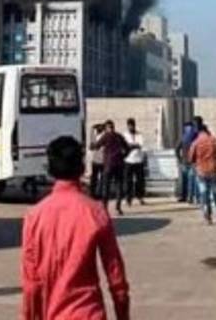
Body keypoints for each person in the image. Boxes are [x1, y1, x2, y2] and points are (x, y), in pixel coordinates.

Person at [20, 135, 131, 320]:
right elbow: (115, 275)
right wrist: (123, 314)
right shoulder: (96, 212)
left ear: (50, 169)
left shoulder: (34, 216)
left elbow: (31, 283)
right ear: (81, 168)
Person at [188, 124, 216, 224]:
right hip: (214, 171)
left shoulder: (196, 142)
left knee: (204, 194)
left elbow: (191, 158)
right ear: (207, 130)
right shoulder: (215, 140)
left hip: (201, 172)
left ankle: (207, 217)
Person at [94, 120, 130, 216]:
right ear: (113, 127)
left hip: (108, 165)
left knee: (106, 187)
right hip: (119, 164)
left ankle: (105, 208)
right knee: (119, 186)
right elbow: (128, 148)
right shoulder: (119, 136)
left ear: (106, 128)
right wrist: (123, 156)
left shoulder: (105, 136)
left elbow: (96, 146)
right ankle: (118, 208)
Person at [123, 118, 147, 207]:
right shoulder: (125, 135)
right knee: (128, 181)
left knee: (140, 181)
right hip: (128, 160)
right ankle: (128, 199)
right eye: (129, 125)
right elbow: (125, 145)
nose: (131, 127)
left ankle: (140, 197)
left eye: (132, 125)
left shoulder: (139, 134)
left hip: (138, 160)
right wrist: (133, 145)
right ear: (127, 126)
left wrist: (132, 145)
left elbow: (140, 145)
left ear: (134, 125)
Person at [175, 120, 197, 203]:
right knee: (191, 180)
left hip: (184, 161)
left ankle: (184, 196)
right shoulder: (195, 136)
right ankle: (190, 197)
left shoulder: (183, 137)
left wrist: (179, 158)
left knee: (184, 180)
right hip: (192, 162)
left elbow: (177, 148)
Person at [90, 123, 106, 200]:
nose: (99, 129)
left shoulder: (104, 136)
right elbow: (92, 146)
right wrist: (93, 128)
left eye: (100, 128)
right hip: (95, 160)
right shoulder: (95, 136)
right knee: (94, 178)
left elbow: (95, 146)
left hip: (102, 160)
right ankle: (93, 193)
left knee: (102, 178)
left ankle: (100, 193)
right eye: (98, 128)